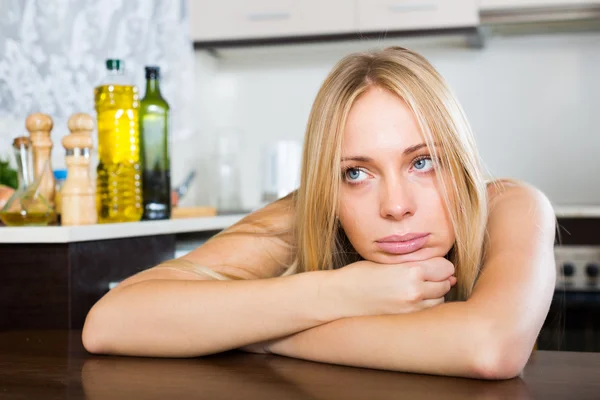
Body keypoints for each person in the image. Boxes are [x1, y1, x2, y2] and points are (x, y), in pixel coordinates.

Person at [82, 46, 556, 380]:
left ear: (461, 159)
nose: (395, 206)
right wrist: (340, 292)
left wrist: (263, 333)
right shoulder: (309, 212)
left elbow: (490, 348)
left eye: (422, 162)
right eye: (356, 173)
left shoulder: (510, 206)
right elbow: (109, 324)